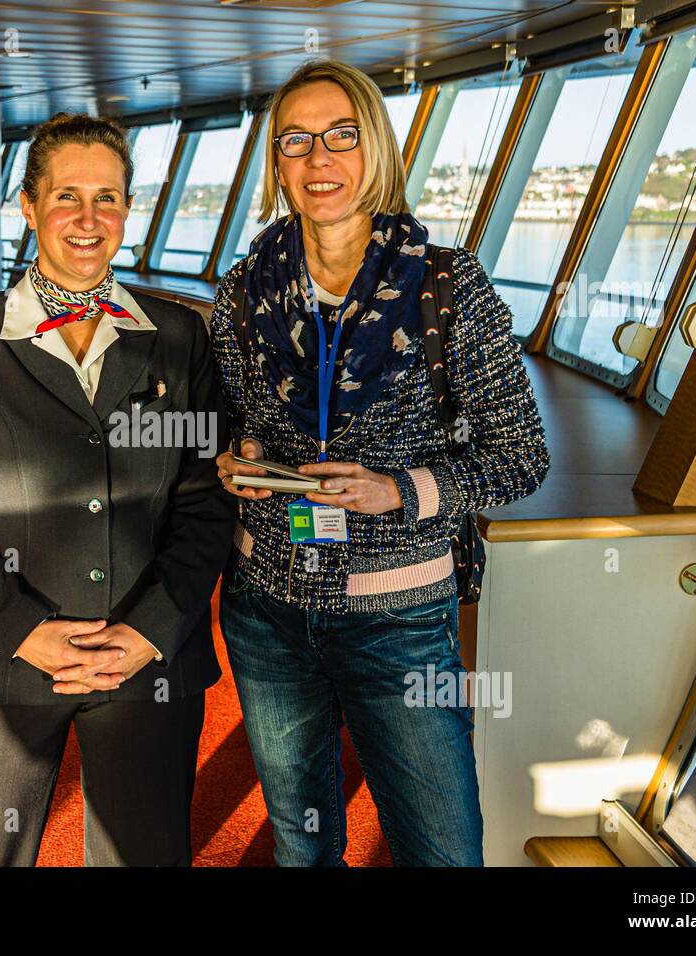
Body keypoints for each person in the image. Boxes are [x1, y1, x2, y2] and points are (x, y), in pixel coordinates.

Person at [210, 59, 550, 867]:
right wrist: (237, 457)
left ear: (378, 151)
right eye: (296, 140)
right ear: (277, 160)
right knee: (304, 846)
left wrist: (398, 490)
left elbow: (520, 457)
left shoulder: (447, 284)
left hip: (398, 619)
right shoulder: (242, 289)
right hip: (266, 609)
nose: (317, 158)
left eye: (340, 136)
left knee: (441, 851)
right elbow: (229, 424)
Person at [0, 112, 235, 867]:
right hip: (6, 653)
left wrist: (147, 631)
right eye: (67, 197)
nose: (89, 220)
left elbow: (203, 502)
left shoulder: (180, 339)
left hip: (147, 657)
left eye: (109, 198)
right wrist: (28, 633)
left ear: (128, 207)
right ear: (28, 206)